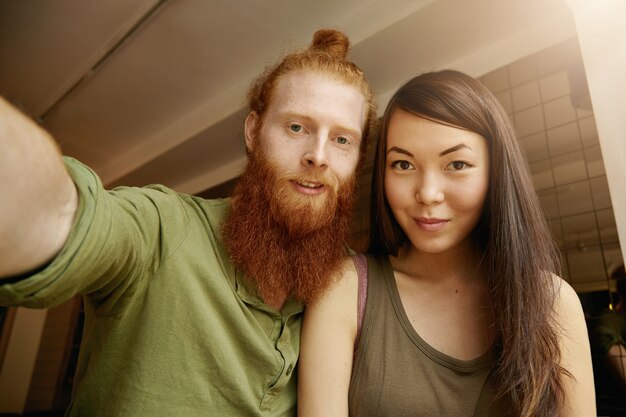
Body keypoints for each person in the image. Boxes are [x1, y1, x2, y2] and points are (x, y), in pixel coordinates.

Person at [0, 29, 376, 416]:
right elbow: (60, 215)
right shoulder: (162, 228)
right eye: (297, 127)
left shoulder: (351, 284)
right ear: (253, 131)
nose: (318, 156)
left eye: (342, 140)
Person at [298, 70, 595, 417]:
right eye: (403, 164)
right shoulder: (344, 291)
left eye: (457, 164)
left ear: (495, 172)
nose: (427, 193)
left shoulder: (553, 303)